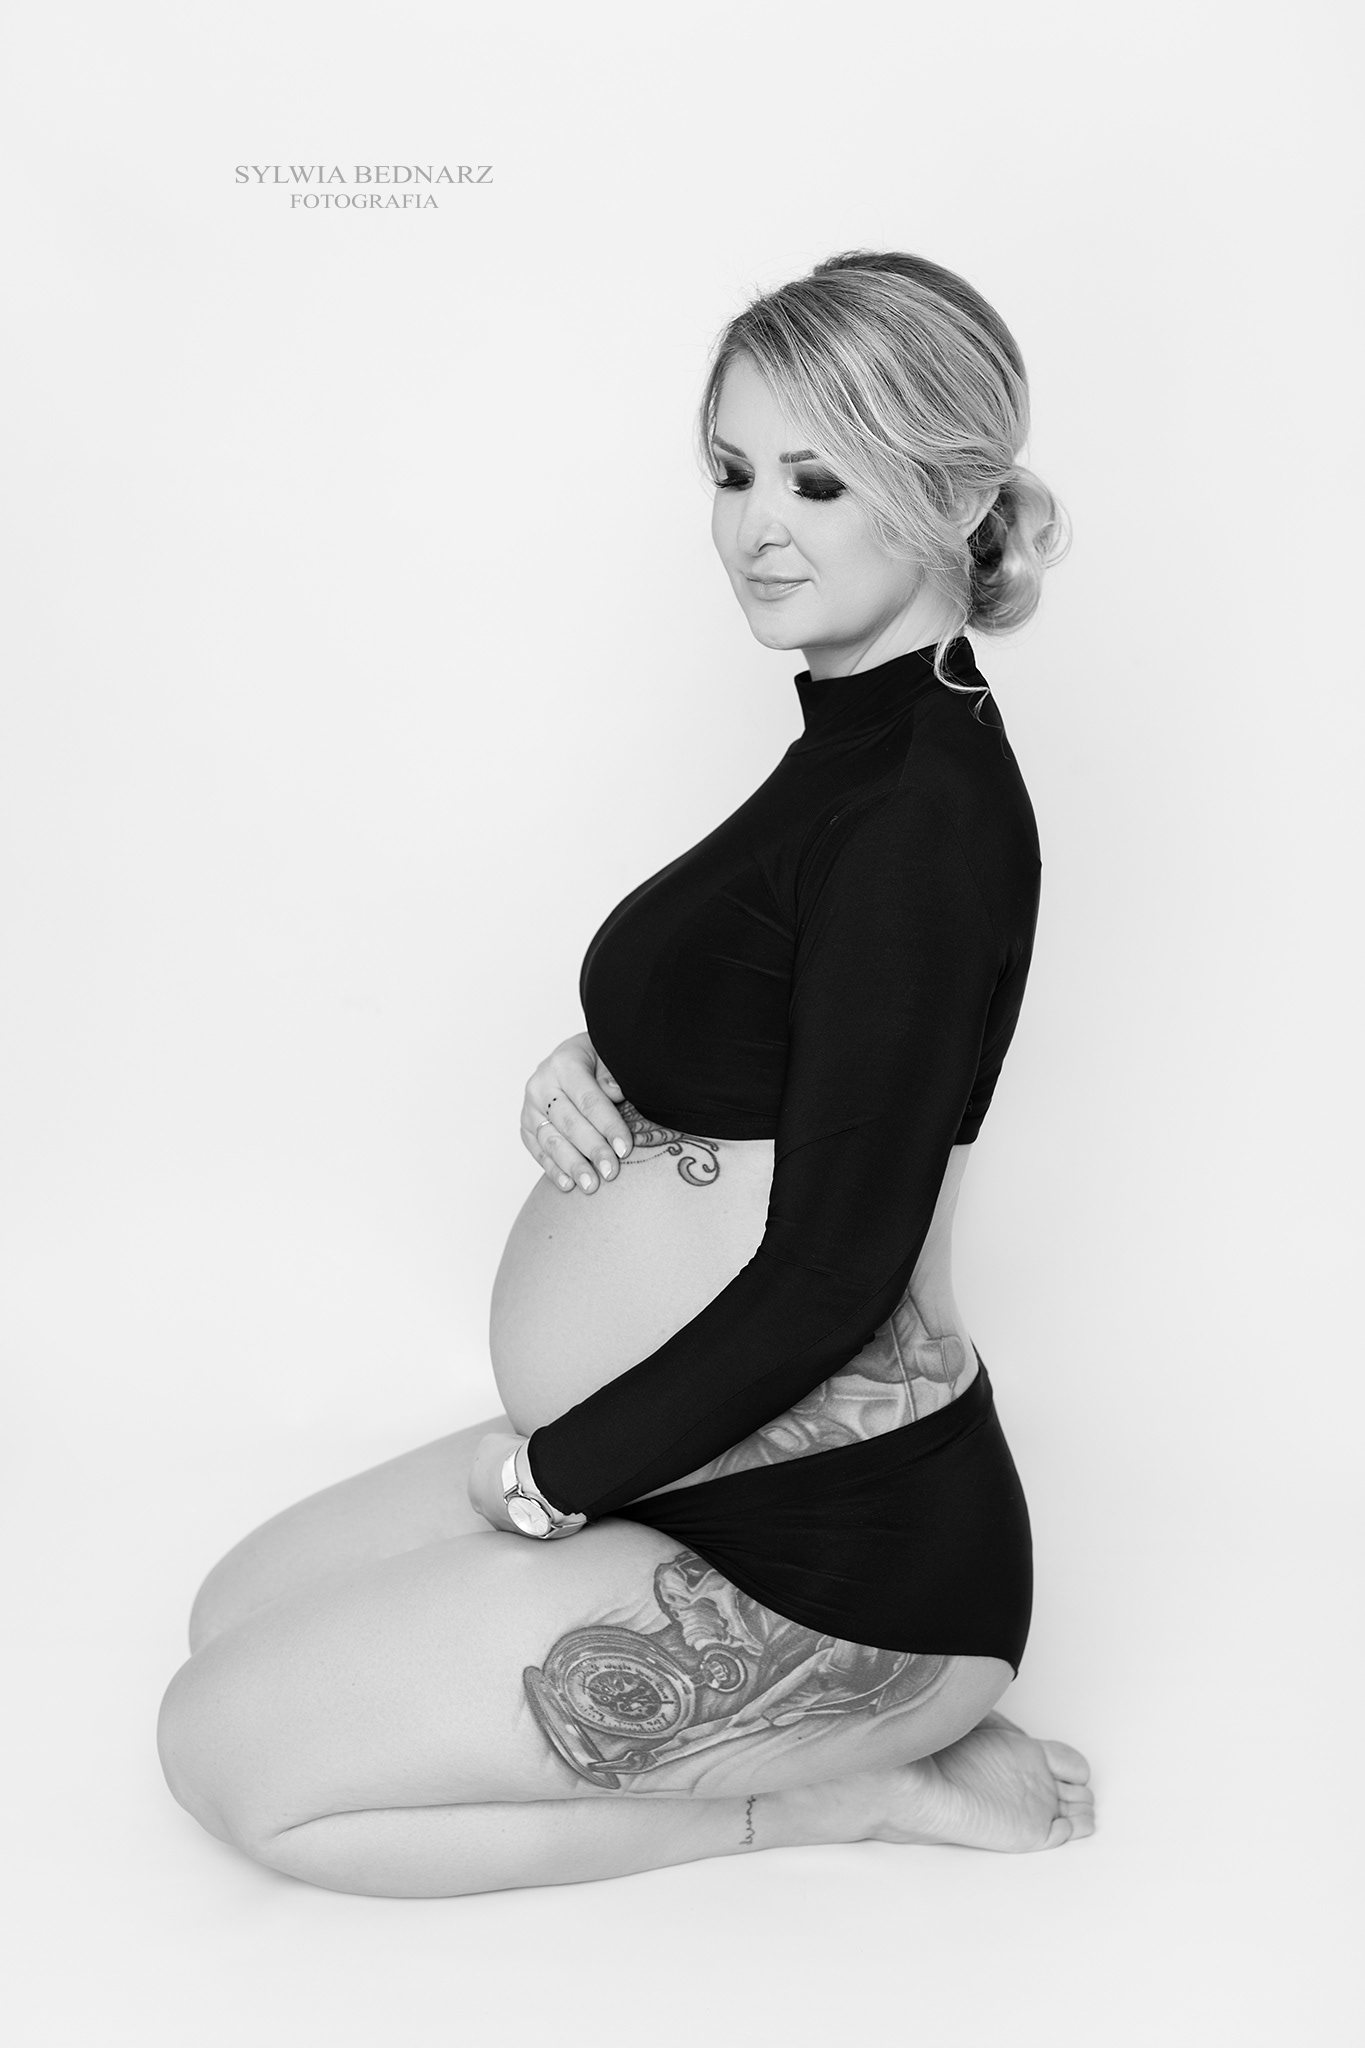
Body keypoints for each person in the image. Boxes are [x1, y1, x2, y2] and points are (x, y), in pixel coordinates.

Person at [157, 250, 1095, 1896]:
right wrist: (602, 1067)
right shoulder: (859, 745)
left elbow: (836, 1269)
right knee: (229, 1614)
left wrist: (551, 1483)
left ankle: (852, 1791)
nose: (756, 528)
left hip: (836, 1567)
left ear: (949, 497)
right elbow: (789, 1006)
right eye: (731, 473)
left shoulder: (919, 817)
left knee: (227, 1760)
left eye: (817, 480)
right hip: (683, 1465)